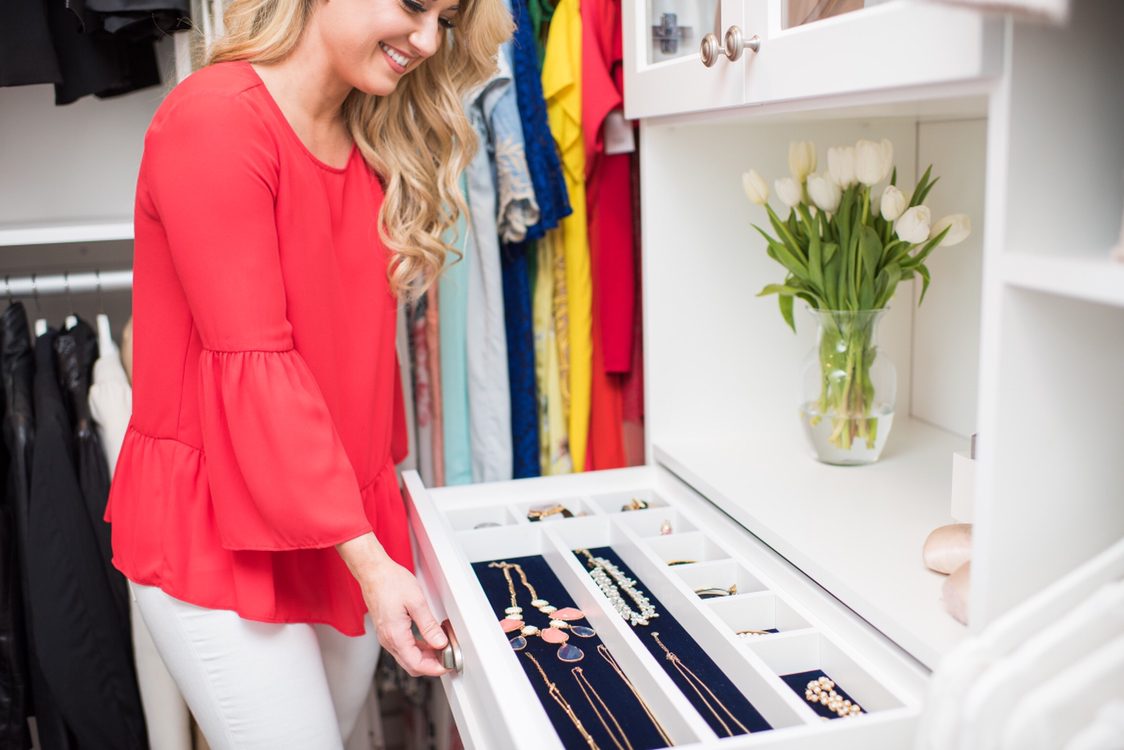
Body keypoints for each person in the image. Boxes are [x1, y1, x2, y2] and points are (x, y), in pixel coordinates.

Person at [103, 0, 511, 745]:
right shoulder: (216, 121)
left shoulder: (370, 133)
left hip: (339, 520)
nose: (427, 40)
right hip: (222, 530)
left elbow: (357, 365)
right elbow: (255, 363)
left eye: (446, 22)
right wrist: (375, 565)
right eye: (416, 5)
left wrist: (382, 539)